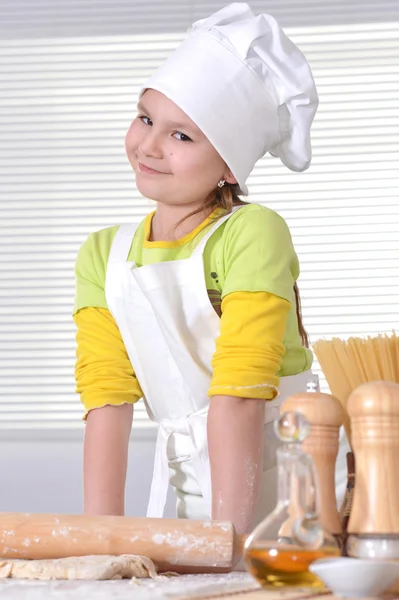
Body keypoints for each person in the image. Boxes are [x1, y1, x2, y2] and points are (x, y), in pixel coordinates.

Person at [73, 2, 321, 535]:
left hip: (295, 504)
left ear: (230, 165)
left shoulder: (252, 234)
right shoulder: (104, 256)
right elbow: (107, 404)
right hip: (197, 508)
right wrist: (98, 542)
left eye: (181, 136)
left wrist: (226, 546)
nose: (149, 146)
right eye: (145, 117)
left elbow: (237, 393)